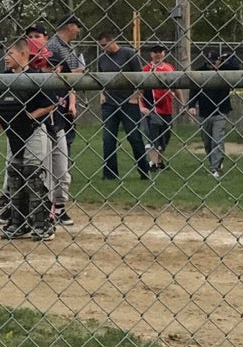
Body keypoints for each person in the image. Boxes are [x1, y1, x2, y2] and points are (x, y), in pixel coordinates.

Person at [0, 37, 57, 240]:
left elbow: (50, 104)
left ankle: (42, 223)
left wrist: (30, 116)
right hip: (12, 132)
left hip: (33, 130)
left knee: (33, 174)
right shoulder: (3, 79)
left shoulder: (34, 77)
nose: (5, 57)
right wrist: (1, 123)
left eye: (10, 53)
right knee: (14, 174)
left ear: (23, 54)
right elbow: (4, 107)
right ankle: (18, 222)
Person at [44, 15, 86, 225]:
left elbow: (67, 80)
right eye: (77, 27)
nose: (78, 31)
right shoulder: (54, 46)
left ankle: (57, 207)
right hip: (49, 114)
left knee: (62, 160)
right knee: (48, 163)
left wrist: (72, 102)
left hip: (62, 111)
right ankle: (48, 206)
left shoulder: (68, 47)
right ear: (70, 26)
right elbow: (56, 74)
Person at [95, 27, 150, 180]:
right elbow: (101, 80)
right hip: (109, 104)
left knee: (134, 137)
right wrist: (102, 95)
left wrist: (136, 96)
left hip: (128, 103)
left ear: (113, 41)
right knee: (108, 138)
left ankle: (144, 171)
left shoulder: (128, 54)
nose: (103, 48)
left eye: (105, 45)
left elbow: (141, 78)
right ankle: (110, 174)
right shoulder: (102, 59)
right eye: (101, 46)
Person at [193, 43, 242, 178]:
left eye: (214, 62)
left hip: (220, 111)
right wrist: (191, 105)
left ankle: (216, 168)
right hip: (204, 111)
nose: (211, 65)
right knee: (207, 142)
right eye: (208, 63)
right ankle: (214, 163)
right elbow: (194, 90)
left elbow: (237, 67)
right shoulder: (200, 72)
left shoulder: (225, 69)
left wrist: (229, 56)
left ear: (219, 61)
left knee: (217, 139)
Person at [141, 42, 178, 174]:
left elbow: (176, 87)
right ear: (151, 54)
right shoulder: (146, 69)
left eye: (160, 51)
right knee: (153, 136)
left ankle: (159, 162)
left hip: (167, 108)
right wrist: (141, 106)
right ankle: (153, 163)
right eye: (155, 51)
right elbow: (139, 90)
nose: (158, 54)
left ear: (164, 53)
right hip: (152, 108)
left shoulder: (169, 68)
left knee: (165, 137)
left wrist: (183, 103)